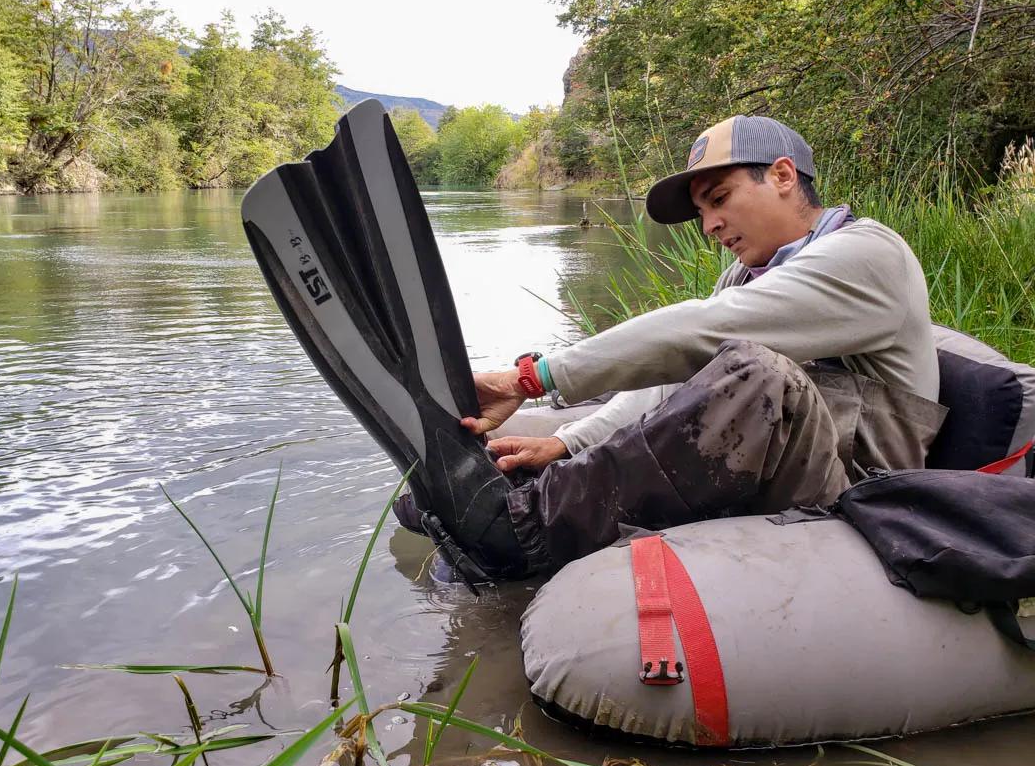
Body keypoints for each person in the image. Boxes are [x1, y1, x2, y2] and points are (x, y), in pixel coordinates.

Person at [401, 114, 948, 574]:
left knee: (760, 373)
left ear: (783, 175)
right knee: (733, 368)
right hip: (783, 464)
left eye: (719, 199)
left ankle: (522, 533)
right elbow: (673, 374)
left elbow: (701, 332)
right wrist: (569, 442)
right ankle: (503, 496)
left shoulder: (870, 255)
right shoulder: (746, 275)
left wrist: (532, 377)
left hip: (861, 487)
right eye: (703, 211)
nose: (710, 225)